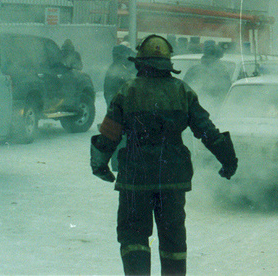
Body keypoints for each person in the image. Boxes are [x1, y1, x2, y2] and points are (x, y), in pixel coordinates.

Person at [90, 34, 238, 276]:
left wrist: (100, 165)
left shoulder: (128, 91)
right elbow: (206, 130)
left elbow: (109, 133)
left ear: (140, 63)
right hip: (172, 177)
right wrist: (228, 160)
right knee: (173, 239)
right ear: (168, 64)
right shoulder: (182, 91)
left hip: (135, 178)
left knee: (134, 236)